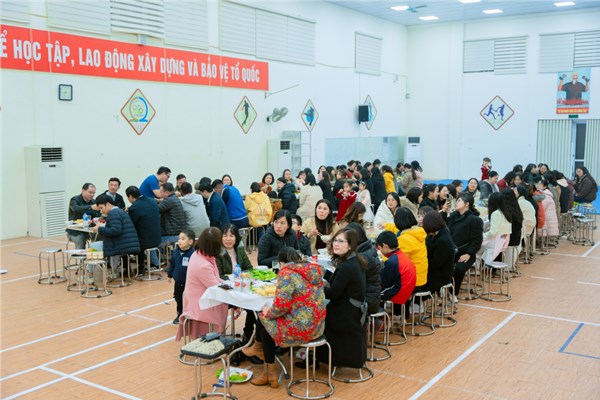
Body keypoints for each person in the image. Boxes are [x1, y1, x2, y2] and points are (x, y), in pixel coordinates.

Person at [243, 247, 326, 388]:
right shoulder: (313, 270)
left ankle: (265, 364)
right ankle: (267, 370)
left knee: (264, 318)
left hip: (301, 329)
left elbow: (281, 306)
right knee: (266, 324)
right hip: (317, 326)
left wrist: (268, 312)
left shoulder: (287, 273)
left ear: (281, 263)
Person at [317, 228, 367, 369]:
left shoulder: (347, 267)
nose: (336, 244)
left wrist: (315, 286)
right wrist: (324, 273)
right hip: (354, 308)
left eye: (340, 241)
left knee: (315, 315)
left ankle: (313, 356)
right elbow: (339, 282)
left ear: (350, 245)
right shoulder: (355, 260)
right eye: (335, 240)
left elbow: (333, 293)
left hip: (345, 313)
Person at [175, 227, 228, 340]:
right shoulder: (203, 265)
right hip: (200, 304)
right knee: (226, 302)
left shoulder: (198, 254)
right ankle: (216, 337)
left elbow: (216, 279)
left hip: (196, 298)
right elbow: (215, 287)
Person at [90, 194, 140, 277]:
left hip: (122, 245)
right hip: (127, 243)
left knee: (93, 246)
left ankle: (90, 274)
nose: (101, 211)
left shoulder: (113, 213)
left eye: (101, 208)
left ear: (108, 204)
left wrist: (99, 229)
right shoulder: (119, 211)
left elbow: (115, 231)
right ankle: (114, 270)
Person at [447, 193, 483, 301]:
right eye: (456, 200)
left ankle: (453, 292)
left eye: (459, 201)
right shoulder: (452, 216)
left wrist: (469, 253)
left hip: (466, 252)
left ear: (467, 204)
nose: (456, 203)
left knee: (459, 268)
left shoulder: (475, 220)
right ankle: (442, 288)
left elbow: (477, 240)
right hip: (451, 250)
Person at [376, 230, 416, 318]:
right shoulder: (401, 254)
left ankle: (379, 319)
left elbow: (384, 282)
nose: (379, 250)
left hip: (400, 293)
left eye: (379, 248)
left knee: (373, 293)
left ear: (385, 246)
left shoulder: (392, 261)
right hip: (408, 289)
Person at [347, 223, 382, 315]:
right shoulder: (367, 249)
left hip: (367, 301)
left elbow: (351, 281)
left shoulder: (363, 257)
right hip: (372, 297)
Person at [126, 185, 161, 272]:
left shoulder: (134, 208)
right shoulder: (152, 201)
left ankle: (139, 267)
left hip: (145, 242)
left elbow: (131, 225)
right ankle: (146, 265)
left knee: (130, 241)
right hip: (157, 237)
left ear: (130, 196)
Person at [394, 207, 428, 297]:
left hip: (412, 281)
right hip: (421, 278)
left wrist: (384, 255)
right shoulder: (418, 232)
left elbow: (397, 261)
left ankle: (399, 306)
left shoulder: (405, 238)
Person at [422, 211, 456, 295]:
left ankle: (417, 301)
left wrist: (421, 262)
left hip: (440, 274)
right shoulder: (435, 234)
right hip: (435, 268)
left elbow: (436, 263)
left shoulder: (443, 240)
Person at [166, 229, 195, 325]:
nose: (179, 241)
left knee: (189, 299)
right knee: (178, 298)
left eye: (183, 239)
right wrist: (170, 275)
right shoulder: (176, 252)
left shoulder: (193, 254)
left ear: (190, 242)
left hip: (189, 283)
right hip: (178, 282)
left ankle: (190, 314)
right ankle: (179, 314)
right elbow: (172, 263)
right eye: (179, 239)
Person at [479, 192, 512, 264]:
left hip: (495, 242)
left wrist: (481, 236)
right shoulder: (506, 212)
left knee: (475, 243)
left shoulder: (496, 213)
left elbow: (493, 232)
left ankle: (478, 265)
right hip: (503, 241)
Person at [66, 183, 101, 249]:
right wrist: (91, 207)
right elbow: (76, 209)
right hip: (75, 231)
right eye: (90, 192)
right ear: (83, 191)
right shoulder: (74, 200)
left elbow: (97, 215)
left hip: (89, 230)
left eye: (94, 193)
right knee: (81, 239)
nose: (92, 195)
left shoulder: (93, 201)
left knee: (100, 236)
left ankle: (95, 254)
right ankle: (79, 255)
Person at [158, 183, 186, 248]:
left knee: (155, 245)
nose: (160, 194)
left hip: (171, 234)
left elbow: (155, 209)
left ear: (167, 192)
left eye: (161, 192)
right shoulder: (174, 198)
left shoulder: (169, 201)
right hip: (177, 233)